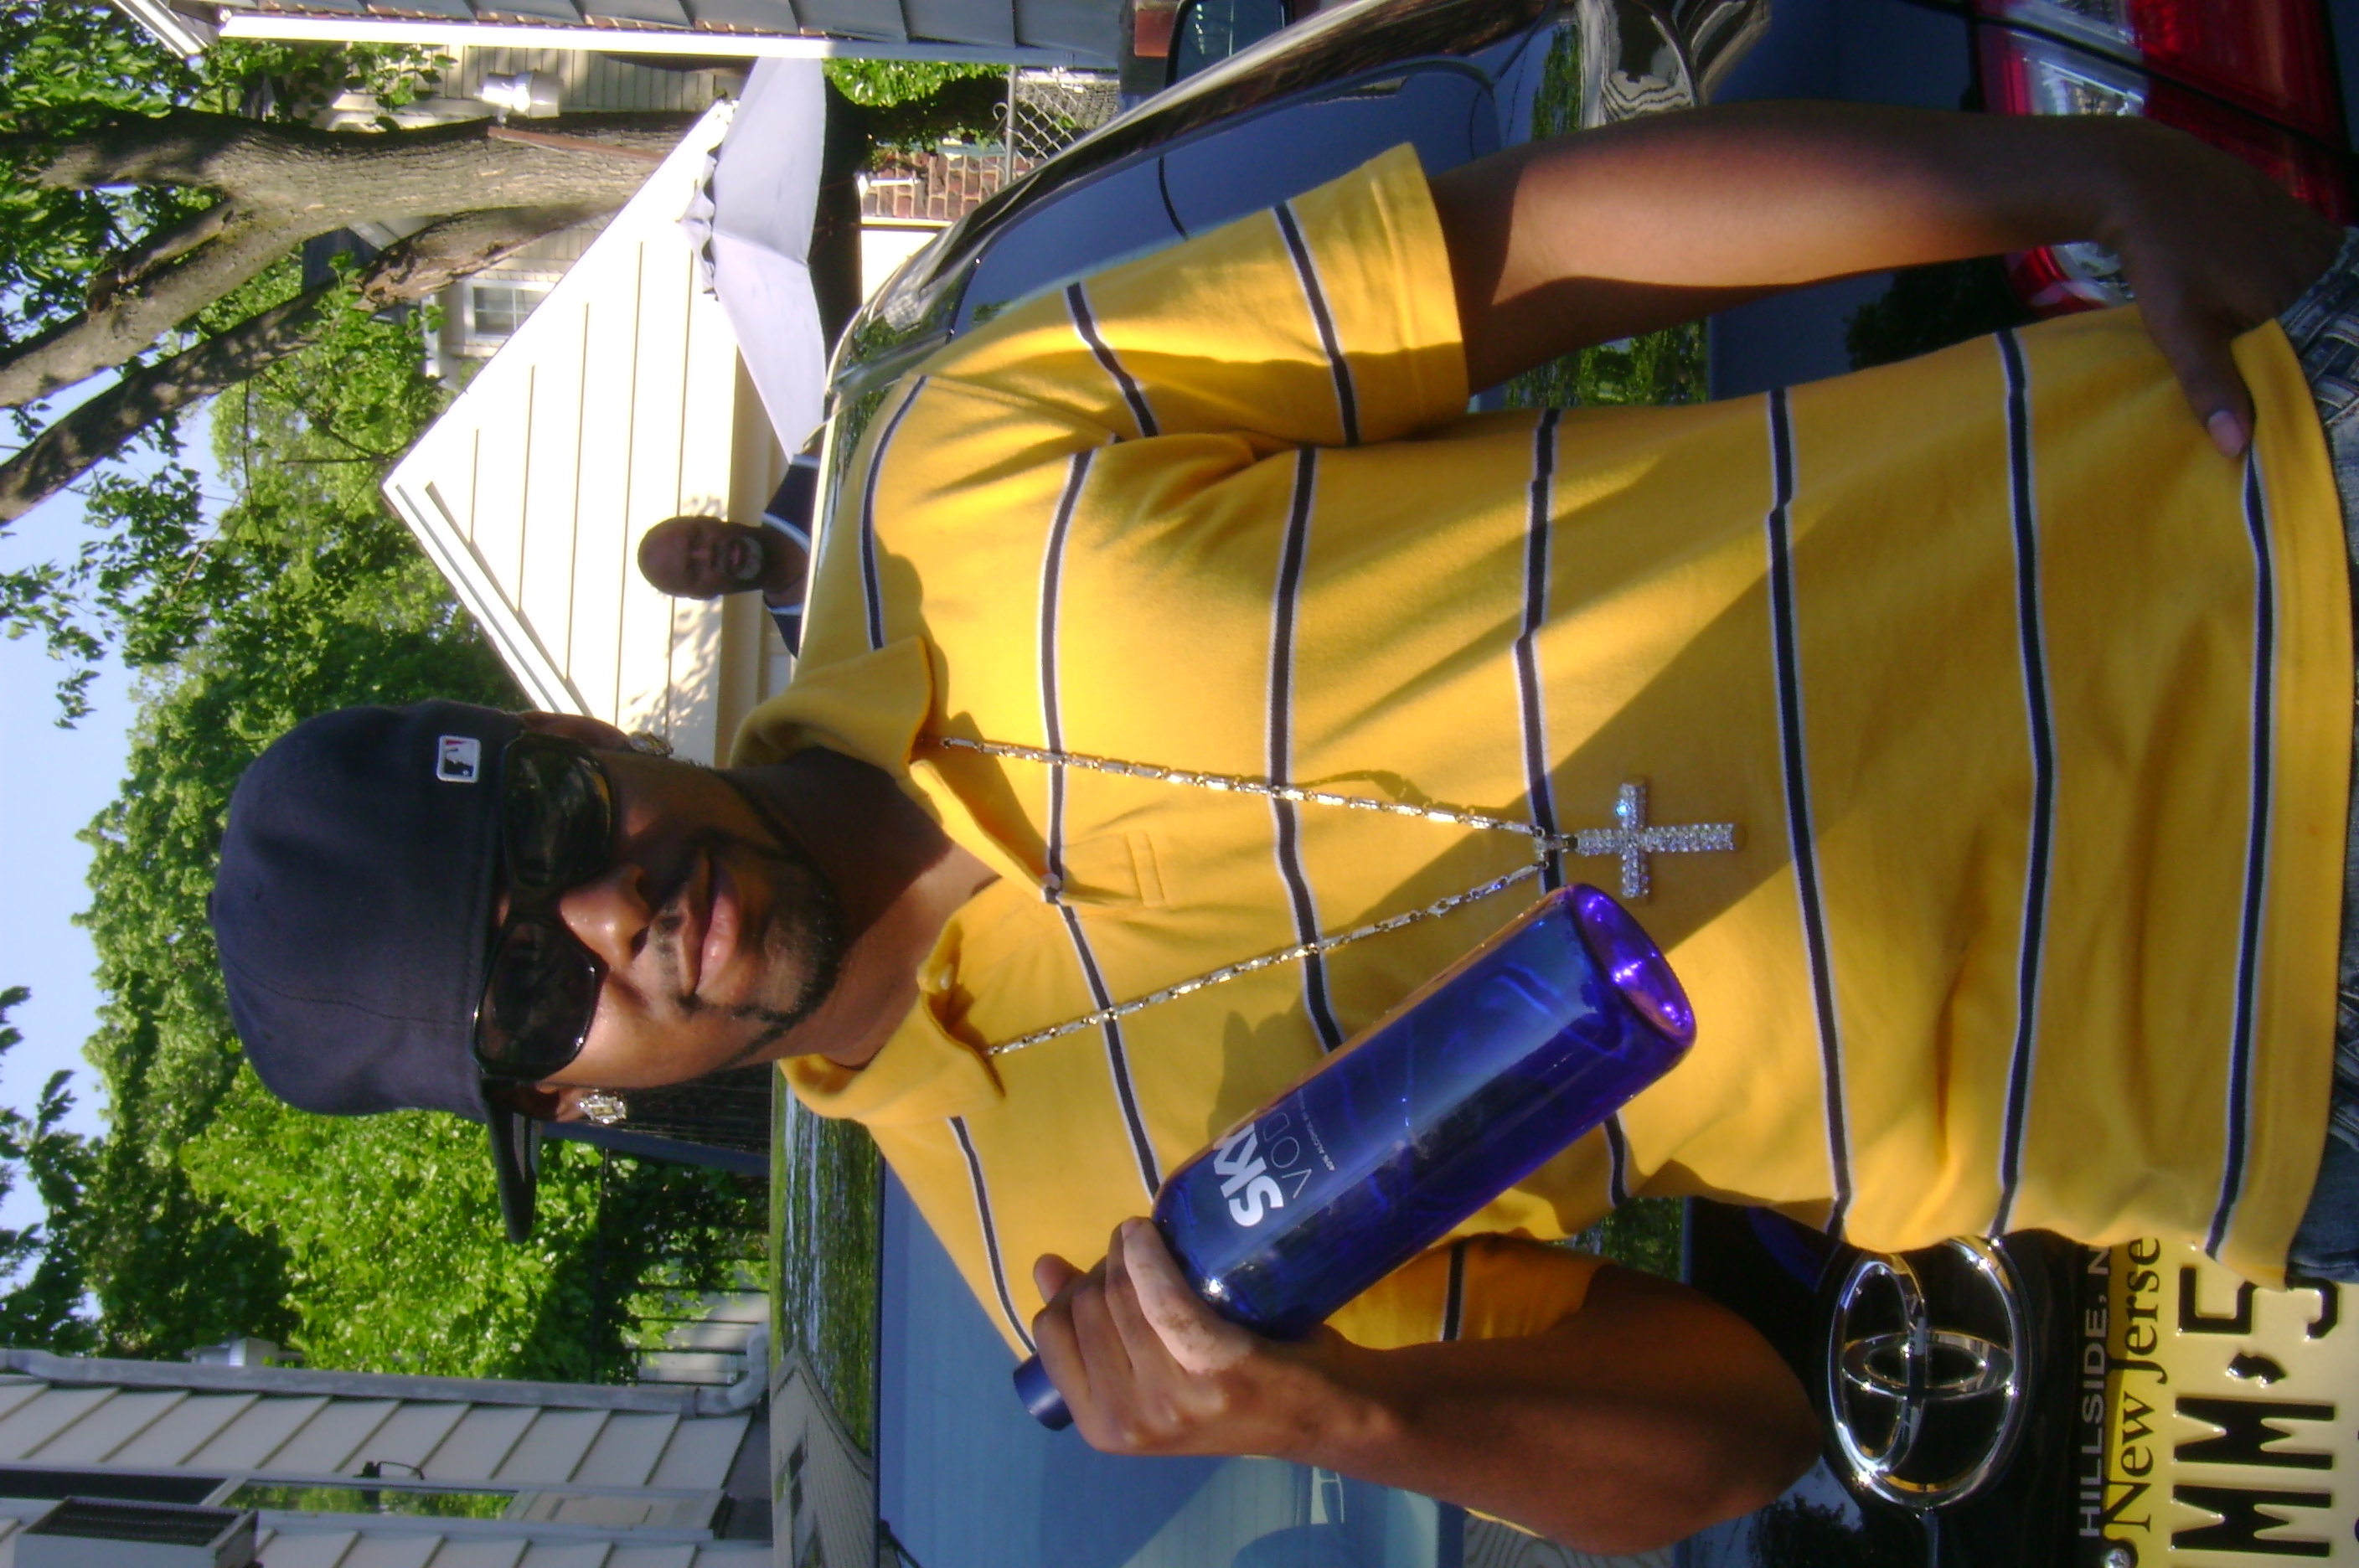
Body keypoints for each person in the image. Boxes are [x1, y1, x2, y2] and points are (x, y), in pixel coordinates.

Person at [209, 102, 2358, 1552]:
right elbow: (1736, 1426)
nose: (606, 908)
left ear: (572, 724)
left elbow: (1533, 251)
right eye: (527, 985)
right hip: (2253, 1073)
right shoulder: (1081, 1264)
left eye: (551, 822)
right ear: (561, 1096)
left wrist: (2085, 174)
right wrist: (1339, 1418)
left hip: (2240, 519)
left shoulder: (961, 471)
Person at [634, 451, 819, 652]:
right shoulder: (808, 645)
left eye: (697, 538)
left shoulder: (812, 473)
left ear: (708, 519)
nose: (708, 555)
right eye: (694, 570)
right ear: (702, 595)